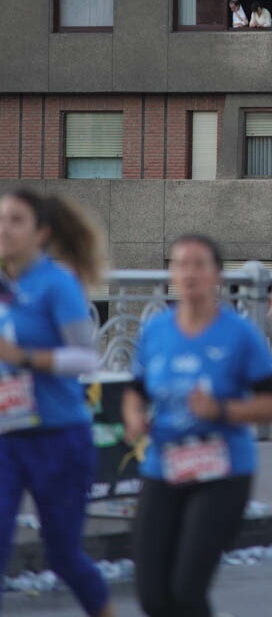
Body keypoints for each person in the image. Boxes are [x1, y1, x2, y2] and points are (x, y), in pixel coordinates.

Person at [122, 234, 272, 617]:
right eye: (180, 264)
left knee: (186, 592)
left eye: (199, 264)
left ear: (215, 275)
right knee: (152, 597)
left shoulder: (239, 333)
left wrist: (223, 411)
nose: (189, 273)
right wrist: (133, 416)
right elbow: (135, 390)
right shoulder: (156, 331)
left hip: (223, 470)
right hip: (164, 466)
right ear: (171, 275)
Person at [0, 189, 115, 617]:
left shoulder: (57, 283)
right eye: (0, 218)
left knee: (64, 556)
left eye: (16, 220)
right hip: (8, 438)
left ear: (41, 232)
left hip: (59, 437)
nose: (4, 228)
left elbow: (87, 357)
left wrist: (25, 358)